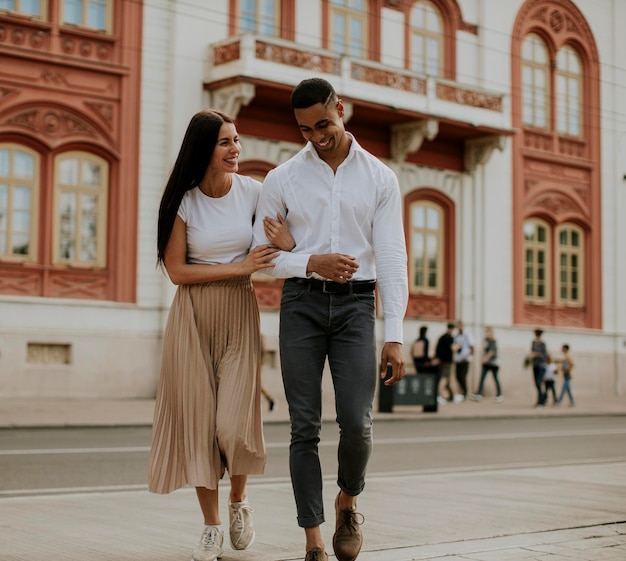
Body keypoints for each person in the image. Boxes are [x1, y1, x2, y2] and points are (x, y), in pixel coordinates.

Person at [254, 77, 408, 561]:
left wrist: (396, 333)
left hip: (357, 307)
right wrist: (308, 261)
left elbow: (391, 256)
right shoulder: (281, 180)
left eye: (324, 123)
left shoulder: (381, 178)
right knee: (304, 426)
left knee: (357, 423)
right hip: (300, 303)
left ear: (341, 109)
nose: (317, 136)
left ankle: (348, 498)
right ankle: (314, 540)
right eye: (305, 129)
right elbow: (261, 257)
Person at [147, 109, 293, 561]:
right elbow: (176, 271)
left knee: (233, 423)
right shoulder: (184, 202)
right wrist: (238, 266)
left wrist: (285, 243)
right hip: (191, 319)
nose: (236, 150)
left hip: (238, 313)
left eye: (237, 140)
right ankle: (211, 526)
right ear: (203, 149)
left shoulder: (253, 192)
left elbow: (280, 247)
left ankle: (238, 501)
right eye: (225, 142)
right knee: (199, 428)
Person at [470, 326, 503, 403]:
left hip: (493, 363)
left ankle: (499, 395)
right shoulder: (486, 340)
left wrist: (485, 359)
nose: (486, 333)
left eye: (487, 331)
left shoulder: (493, 340)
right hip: (486, 364)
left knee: (495, 379)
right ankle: (479, 394)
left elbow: (492, 352)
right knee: (482, 378)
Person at [434, 323, 456, 404]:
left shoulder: (442, 337)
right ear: (452, 329)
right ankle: (439, 396)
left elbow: (437, 348)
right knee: (445, 378)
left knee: (447, 379)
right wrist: (459, 347)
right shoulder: (449, 338)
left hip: (441, 360)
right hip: (447, 361)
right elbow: (453, 348)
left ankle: (452, 396)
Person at [452, 321, 474, 401]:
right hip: (458, 359)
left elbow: (471, 347)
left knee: (463, 376)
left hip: (465, 359)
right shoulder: (456, 336)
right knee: (458, 376)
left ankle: (465, 392)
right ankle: (463, 391)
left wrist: (468, 355)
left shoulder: (467, 335)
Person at [529, 328, 548, 407]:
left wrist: (537, 354)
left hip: (541, 365)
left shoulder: (543, 344)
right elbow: (532, 352)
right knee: (536, 384)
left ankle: (540, 401)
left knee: (538, 383)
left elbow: (544, 355)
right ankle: (542, 398)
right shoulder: (533, 343)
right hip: (535, 365)